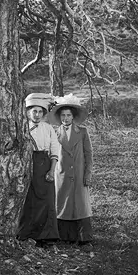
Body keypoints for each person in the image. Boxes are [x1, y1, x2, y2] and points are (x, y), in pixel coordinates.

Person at [48, 94, 94, 249]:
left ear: (73, 116)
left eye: (68, 115)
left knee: (81, 204)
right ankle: (65, 237)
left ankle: (84, 238)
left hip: (79, 173)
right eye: (63, 115)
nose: (65, 118)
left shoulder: (82, 131)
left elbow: (88, 154)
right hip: (61, 173)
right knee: (62, 204)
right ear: (59, 117)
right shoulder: (54, 132)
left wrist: (87, 173)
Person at [17, 93, 61, 247]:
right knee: (28, 200)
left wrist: (51, 170)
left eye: (40, 112)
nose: (37, 115)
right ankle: (26, 234)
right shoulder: (22, 127)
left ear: (43, 114)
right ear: (28, 112)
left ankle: (46, 236)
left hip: (44, 163)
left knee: (46, 199)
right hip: (27, 163)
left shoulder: (48, 128)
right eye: (34, 111)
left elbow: (55, 149)